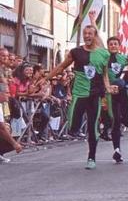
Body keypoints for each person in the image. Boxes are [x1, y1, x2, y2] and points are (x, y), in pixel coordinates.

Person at [42, 25, 117, 169]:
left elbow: (105, 74)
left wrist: (108, 87)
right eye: (85, 33)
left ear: (95, 36)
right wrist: (46, 78)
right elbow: (61, 67)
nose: (87, 36)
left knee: (92, 126)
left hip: (95, 94)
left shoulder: (104, 54)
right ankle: (74, 129)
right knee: (73, 125)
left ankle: (91, 158)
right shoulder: (76, 52)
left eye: (90, 33)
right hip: (79, 93)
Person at [105, 36, 128, 163]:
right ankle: (117, 150)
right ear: (108, 46)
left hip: (123, 92)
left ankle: (126, 122)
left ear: (119, 46)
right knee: (115, 119)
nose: (113, 46)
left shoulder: (124, 59)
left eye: (115, 44)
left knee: (126, 119)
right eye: (110, 44)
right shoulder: (105, 58)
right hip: (110, 93)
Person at [0, 48, 22, 162]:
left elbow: (5, 88)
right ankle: (14, 144)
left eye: (7, 56)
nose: (6, 58)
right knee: (3, 127)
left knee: (7, 127)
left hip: (4, 103)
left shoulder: (5, 70)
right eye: (3, 56)